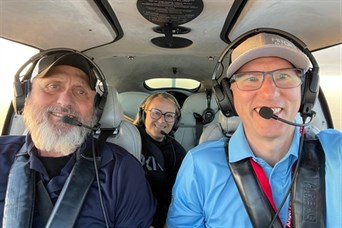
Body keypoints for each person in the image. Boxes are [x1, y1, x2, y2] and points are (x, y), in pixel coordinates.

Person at [167, 29, 342, 227]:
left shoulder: (336, 151)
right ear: (229, 97)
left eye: (284, 76)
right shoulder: (199, 166)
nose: (269, 93)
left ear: (306, 90)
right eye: (251, 78)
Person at [0, 49, 156, 227]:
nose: (65, 101)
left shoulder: (122, 171)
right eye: (53, 86)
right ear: (24, 97)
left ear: (96, 108)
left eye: (80, 91)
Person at [133, 92, 186, 228]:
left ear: (175, 121)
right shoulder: (127, 138)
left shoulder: (177, 153)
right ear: (144, 113)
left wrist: (157, 224)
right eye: (156, 112)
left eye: (169, 115)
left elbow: (175, 196)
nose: (162, 121)